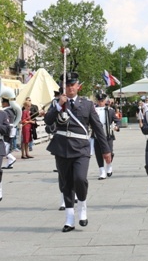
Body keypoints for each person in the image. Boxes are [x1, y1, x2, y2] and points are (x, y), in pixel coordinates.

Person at [43, 72, 111, 232]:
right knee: (66, 183)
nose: (69, 88)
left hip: (80, 147)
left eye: (72, 85)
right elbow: (48, 121)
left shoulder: (86, 104)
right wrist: (59, 105)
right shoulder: (57, 103)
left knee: (80, 179)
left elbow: (97, 128)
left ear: (78, 86)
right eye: (66, 85)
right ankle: (69, 218)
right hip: (61, 147)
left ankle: (82, 206)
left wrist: (105, 149)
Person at [93, 91, 120, 180]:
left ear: (105, 101)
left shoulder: (110, 110)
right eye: (99, 101)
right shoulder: (93, 110)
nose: (100, 102)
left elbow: (117, 120)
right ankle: (102, 171)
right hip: (97, 135)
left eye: (102, 100)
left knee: (109, 152)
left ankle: (109, 165)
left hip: (108, 135)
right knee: (98, 153)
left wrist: (116, 126)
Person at [0, 97, 18, 169]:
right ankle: (10, 163)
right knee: (7, 145)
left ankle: (12, 158)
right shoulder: (11, 110)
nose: (2, 104)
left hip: (7, 130)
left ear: (6, 103)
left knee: (4, 145)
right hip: (11, 129)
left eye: (3, 103)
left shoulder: (6, 111)